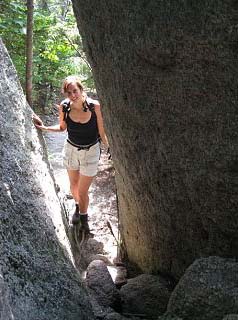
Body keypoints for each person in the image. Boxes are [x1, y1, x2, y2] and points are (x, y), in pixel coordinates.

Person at [33, 75, 109, 232]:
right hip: (71, 150)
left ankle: (84, 218)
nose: (73, 95)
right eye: (69, 93)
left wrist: (110, 147)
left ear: (81, 90)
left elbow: (101, 132)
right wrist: (45, 128)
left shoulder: (95, 107)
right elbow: (62, 127)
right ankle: (77, 207)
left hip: (91, 152)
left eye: (75, 91)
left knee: (82, 191)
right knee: (74, 185)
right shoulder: (65, 107)